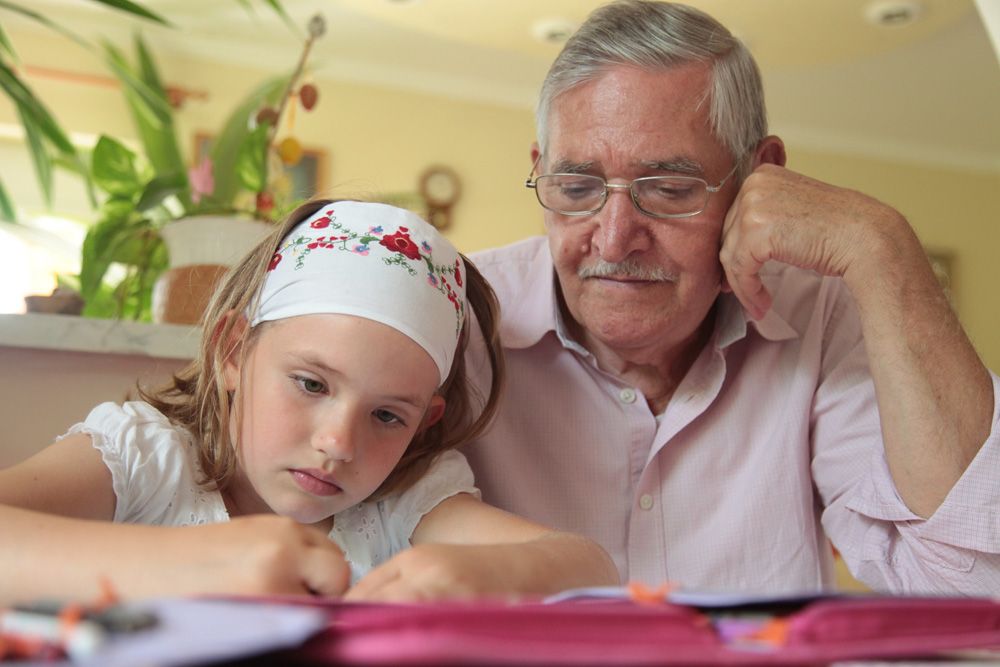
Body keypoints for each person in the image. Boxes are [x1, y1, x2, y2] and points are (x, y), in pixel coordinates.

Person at [463, 0, 999, 595]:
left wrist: (883, 245)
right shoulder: (458, 315)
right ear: (542, 171)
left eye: (668, 189)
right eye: (577, 186)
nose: (614, 239)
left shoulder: (823, 316)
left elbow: (972, 586)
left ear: (758, 178)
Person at [0, 200, 618, 605]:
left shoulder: (402, 497)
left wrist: (490, 574)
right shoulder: (147, 457)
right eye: (312, 384)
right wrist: (195, 562)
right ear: (233, 351)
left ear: (422, 421)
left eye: (386, 416)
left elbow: (588, 564)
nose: (339, 444)